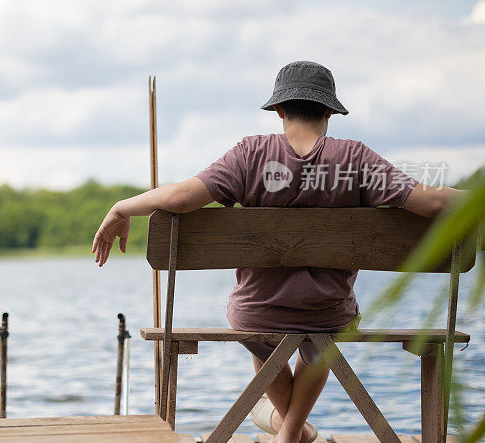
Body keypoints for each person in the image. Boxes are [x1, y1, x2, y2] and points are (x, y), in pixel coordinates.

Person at [91, 61, 461, 443]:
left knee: (260, 320)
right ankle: (292, 433)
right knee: (326, 333)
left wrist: (121, 207)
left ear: (279, 110)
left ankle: (288, 434)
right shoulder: (355, 159)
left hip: (256, 313)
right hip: (329, 313)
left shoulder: (250, 154)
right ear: (330, 111)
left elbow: (181, 198)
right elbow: (433, 203)